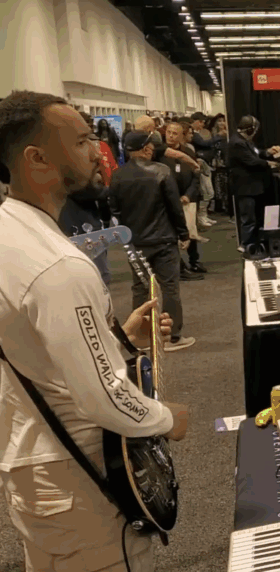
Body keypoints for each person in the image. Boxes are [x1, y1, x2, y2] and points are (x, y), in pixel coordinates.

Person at [0, 90, 189, 572]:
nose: (96, 152)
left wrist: (119, 341)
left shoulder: (11, 232)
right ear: (36, 158)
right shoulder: (60, 265)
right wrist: (168, 418)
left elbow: (38, 353)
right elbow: (101, 396)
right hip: (81, 478)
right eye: (82, 140)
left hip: (36, 468)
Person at [109, 131, 197, 351]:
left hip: (134, 241)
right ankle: (172, 337)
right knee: (169, 287)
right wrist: (183, 234)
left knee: (140, 287)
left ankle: (141, 336)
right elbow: (174, 208)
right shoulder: (161, 171)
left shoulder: (118, 175)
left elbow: (114, 210)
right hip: (164, 239)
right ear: (147, 148)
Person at [228, 115, 280, 254]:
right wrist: (269, 163)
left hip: (251, 187)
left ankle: (252, 244)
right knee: (249, 219)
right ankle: (246, 245)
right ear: (251, 130)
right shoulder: (237, 143)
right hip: (246, 188)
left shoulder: (245, 141)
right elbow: (251, 161)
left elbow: (256, 154)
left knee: (253, 217)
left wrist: (268, 152)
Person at [161, 121, 207, 277]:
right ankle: (180, 267)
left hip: (188, 198)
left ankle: (195, 262)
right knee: (173, 235)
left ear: (181, 136)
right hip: (168, 200)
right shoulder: (160, 153)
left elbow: (196, 176)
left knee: (191, 231)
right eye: (169, 132)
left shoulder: (188, 152)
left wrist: (188, 195)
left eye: (175, 133)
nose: (171, 136)